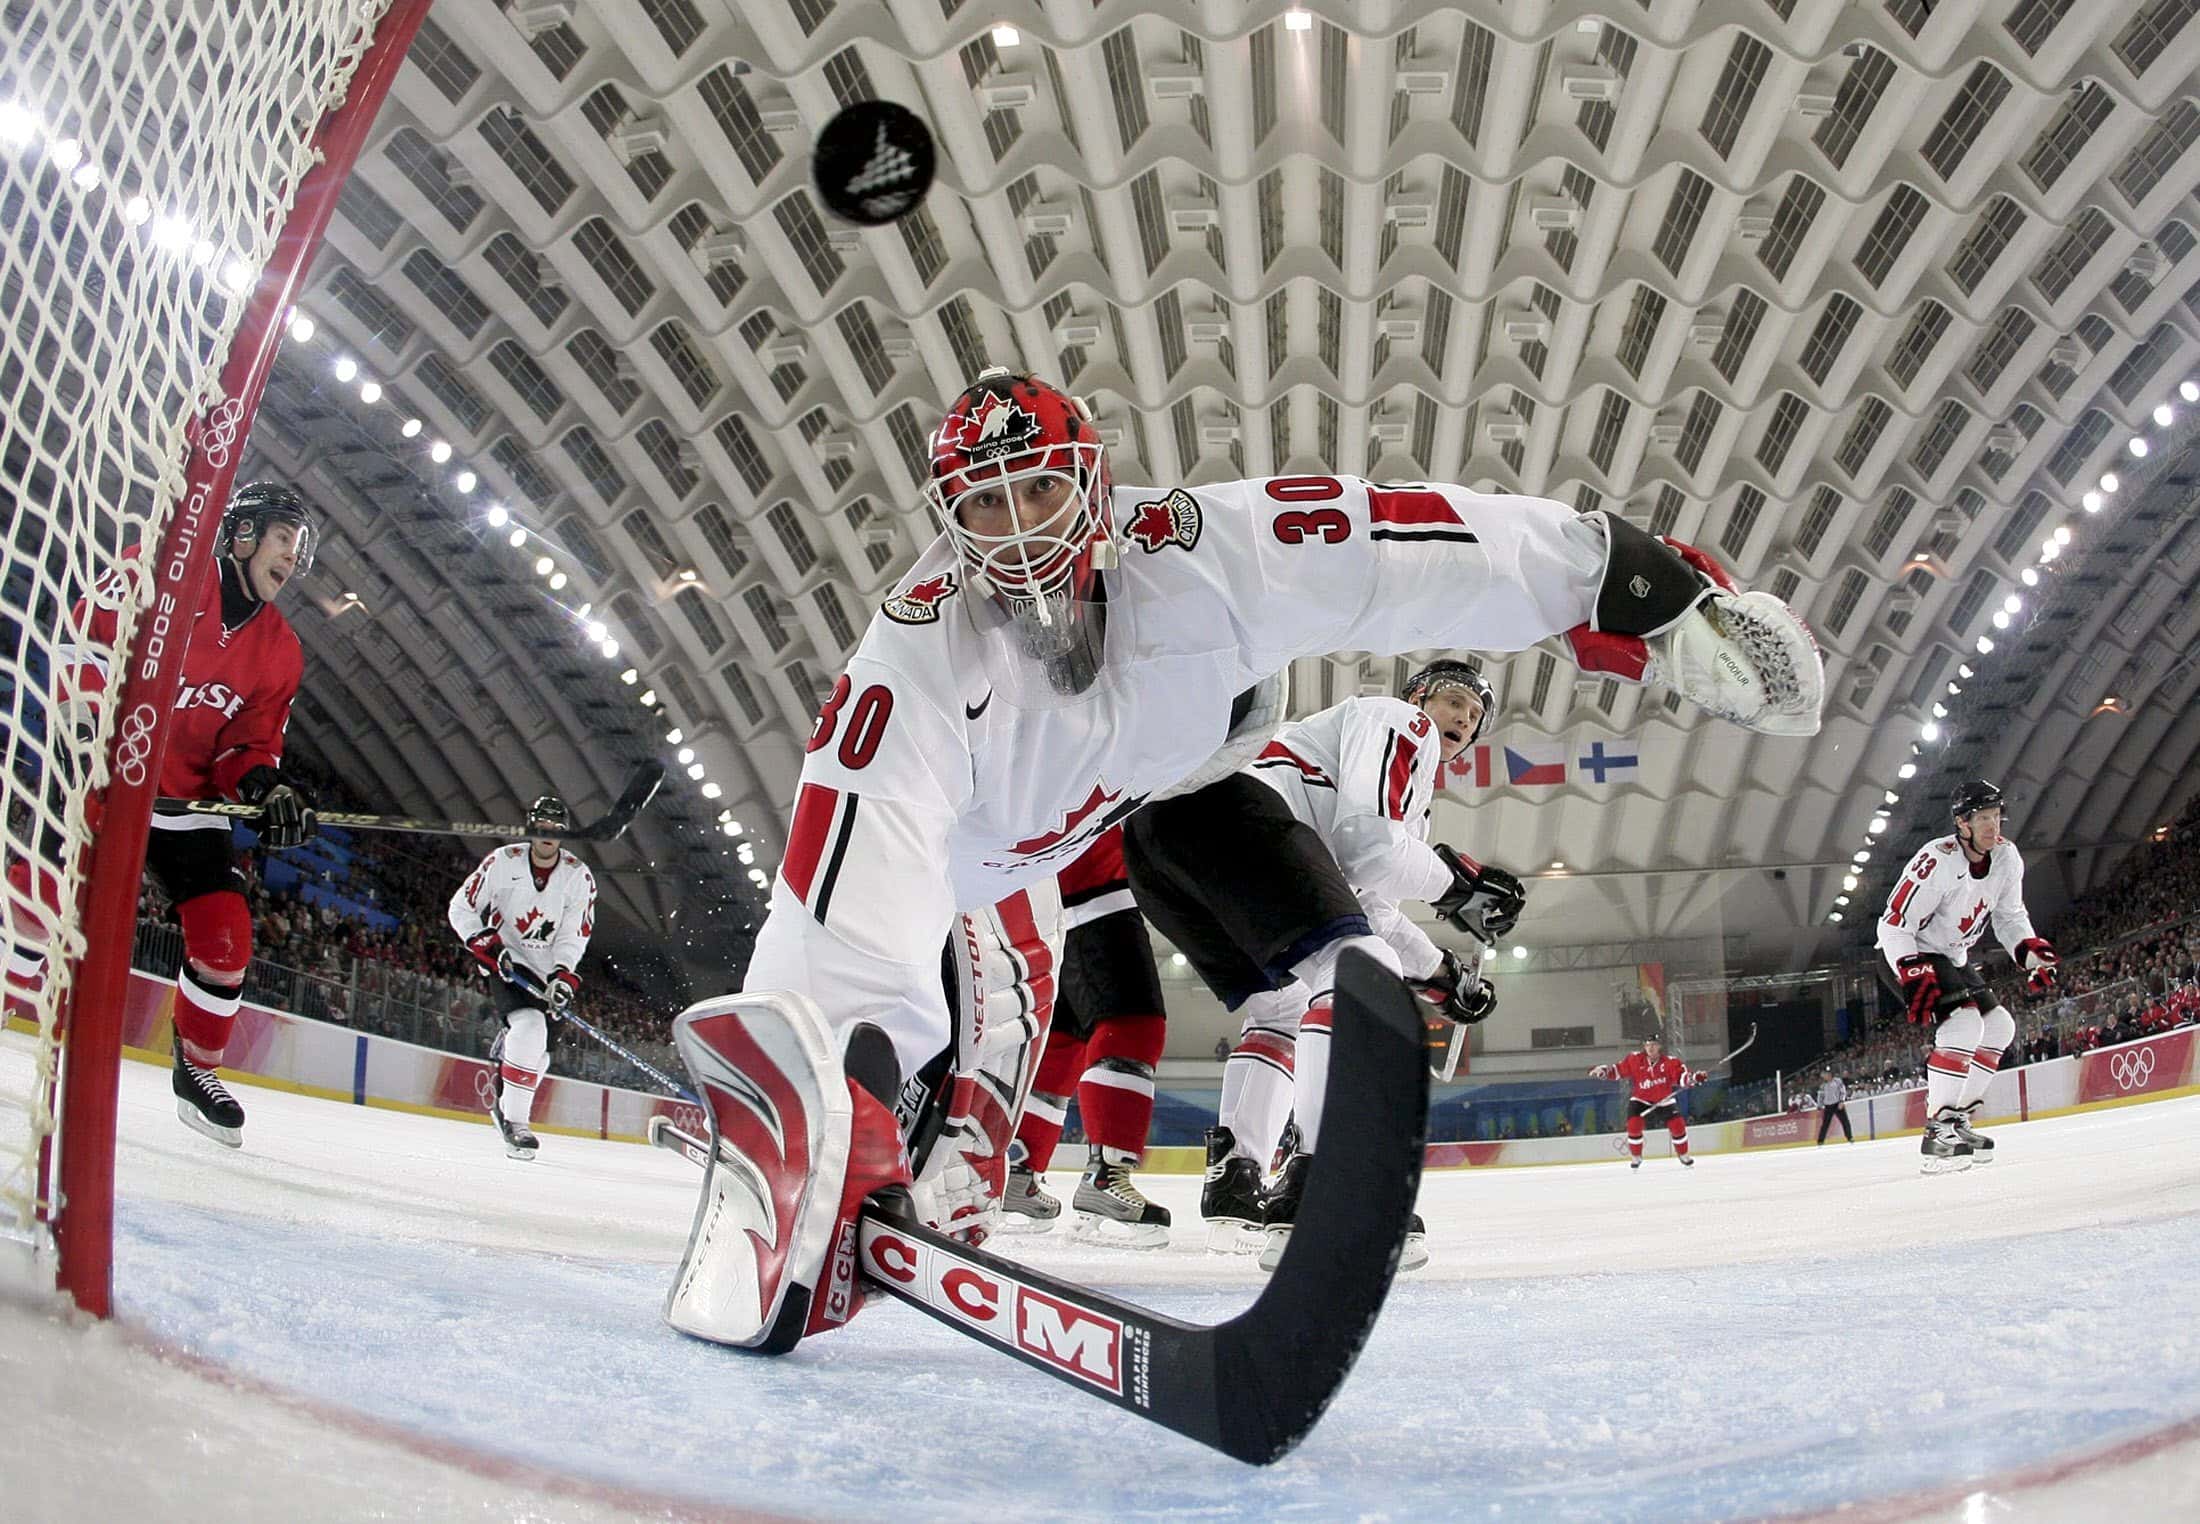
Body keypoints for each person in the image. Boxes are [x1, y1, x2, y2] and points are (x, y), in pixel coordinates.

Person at [665, 366, 1825, 1353]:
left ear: (1094, 483)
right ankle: (814, 1175)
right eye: (985, 504)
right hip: (961, 857)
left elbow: (1397, 542)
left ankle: (990, 1184)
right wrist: (824, 1093)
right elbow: (847, 874)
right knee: (891, 1084)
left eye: (1039, 488)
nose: (1018, 530)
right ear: (946, 519)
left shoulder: (1205, 553)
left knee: (993, 1110)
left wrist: (1625, 584)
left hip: (1070, 847)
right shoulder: (912, 656)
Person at [1127, 660, 1515, 1268]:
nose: (1463, 717)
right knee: (1361, 970)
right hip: (1236, 812)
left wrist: (1443, 975)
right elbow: (1369, 849)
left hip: (1159, 841)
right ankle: (1327, 1178)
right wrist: (1458, 885)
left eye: (1475, 714)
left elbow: (1367, 906)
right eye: (1454, 700)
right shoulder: (1401, 722)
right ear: (1419, 696)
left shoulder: (1384, 774)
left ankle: (1237, 1180)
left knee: (1282, 1007)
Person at [5, 482, 318, 1148]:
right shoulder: (160, 570)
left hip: (184, 804)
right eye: (282, 537)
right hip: (106, 777)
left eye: (297, 545)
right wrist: (88, 729)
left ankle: (196, 1071)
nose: (292, 556)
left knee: (226, 938)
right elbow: (84, 645)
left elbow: (247, 746)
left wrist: (266, 789)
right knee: (40, 895)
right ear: (243, 534)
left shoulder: (281, 650)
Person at [999, 824, 1172, 1246]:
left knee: (1062, 1046)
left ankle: (1017, 1172)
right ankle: (1105, 1177)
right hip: (1093, 889)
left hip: (1047, 900)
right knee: (1132, 1026)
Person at [1876, 779, 2055, 1173]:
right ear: (1962, 823)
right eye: (1983, 818)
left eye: (1996, 816)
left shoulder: (2007, 857)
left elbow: (2010, 916)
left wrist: (2030, 953)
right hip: (1911, 949)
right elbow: (1892, 924)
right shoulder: (1936, 859)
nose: (1993, 825)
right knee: (1964, 1024)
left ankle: (1956, 1118)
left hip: (1952, 955)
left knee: (2000, 1027)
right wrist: (1910, 969)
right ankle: (1937, 1132)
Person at [445, 796, 597, 1160]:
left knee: (541, 1054)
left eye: (556, 828)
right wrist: (484, 942)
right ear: (531, 826)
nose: (548, 834)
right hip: (508, 961)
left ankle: (507, 1085)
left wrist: (563, 975)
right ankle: (515, 1123)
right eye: (542, 825)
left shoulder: (578, 876)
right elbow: (461, 907)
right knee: (530, 1027)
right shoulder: (502, 862)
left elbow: (574, 934)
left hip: (549, 972)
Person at [1591, 1035, 1704, 1168]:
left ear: (1659, 1046)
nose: (1651, 1047)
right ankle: (1636, 1156)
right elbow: (1618, 1070)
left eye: (1654, 1044)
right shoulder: (1634, 1059)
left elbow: (1682, 1077)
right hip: (1641, 1100)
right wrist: (1604, 1072)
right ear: (1644, 1047)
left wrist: (1694, 1078)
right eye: (1648, 1045)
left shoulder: (1670, 1062)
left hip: (1664, 1100)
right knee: (1633, 1126)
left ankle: (1683, 1155)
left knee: (1678, 1126)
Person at [1815, 1072, 1852, 1144]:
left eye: (1825, 1075)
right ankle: (1820, 1140)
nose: (1824, 1077)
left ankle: (1849, 1137)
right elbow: (1820, 1096)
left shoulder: (1837, 1081)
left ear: (1829, 1075)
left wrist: (1842, 1101)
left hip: (1837, 1104)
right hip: (1828, 1106)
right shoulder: (1823, 1085)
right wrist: (1819, 1106)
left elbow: (1843, 1091)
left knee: (1845, 1121)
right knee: (1825, 1124)